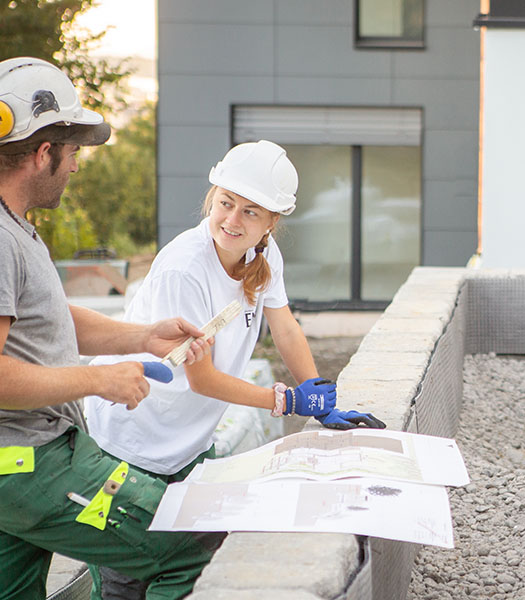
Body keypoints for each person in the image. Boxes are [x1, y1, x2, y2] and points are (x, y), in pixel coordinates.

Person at [83, 139, 386, 597]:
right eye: (226, 203)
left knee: (197, 566)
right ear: (213, 197)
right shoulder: (184, 269)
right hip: (129, 442)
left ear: (271, 222)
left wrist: (318, 395)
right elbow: (201, 380)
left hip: (186, 446)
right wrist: (285, 399)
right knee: (127, 580)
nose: (232, 219)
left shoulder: (263, 259)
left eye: (251, 211)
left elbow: (284, 327)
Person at [0, 57, 220, 600]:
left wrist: (141, 337)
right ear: (44, 151)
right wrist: (99, 380)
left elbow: (45, 320)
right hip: (30, 464)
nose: (76, 166)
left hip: (21, 466)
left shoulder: (16, 228)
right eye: (73, 152)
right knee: (187, 543)